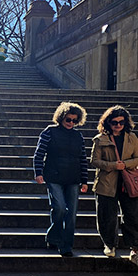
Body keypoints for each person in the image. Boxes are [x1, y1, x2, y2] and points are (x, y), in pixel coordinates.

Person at [91, 105, 138, 269]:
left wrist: (125, 164)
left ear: (126, 123)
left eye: (121, 122)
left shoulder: (131, 138)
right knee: (107, 216)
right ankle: (109, 244)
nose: (118, 125)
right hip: (106, 183)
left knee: (133, 216)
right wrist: (113, 165)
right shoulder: (100, 139)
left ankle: (135, 250)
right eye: (114, 122)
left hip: (128, 182)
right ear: (108, 123)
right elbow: (94, 161)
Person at [33, 102, 88, 257]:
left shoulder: (78, 136)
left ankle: (66, 246)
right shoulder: (50, 131)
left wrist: (85, 180)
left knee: (71, 214)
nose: (71, 123)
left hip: (73, 177)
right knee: (60, 208)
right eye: (68, 119)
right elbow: (39, 153)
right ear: (61, 117)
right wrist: (38, 172)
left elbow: (83, 159)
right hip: (54, 175)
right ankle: (54, 236)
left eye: (74, 120)